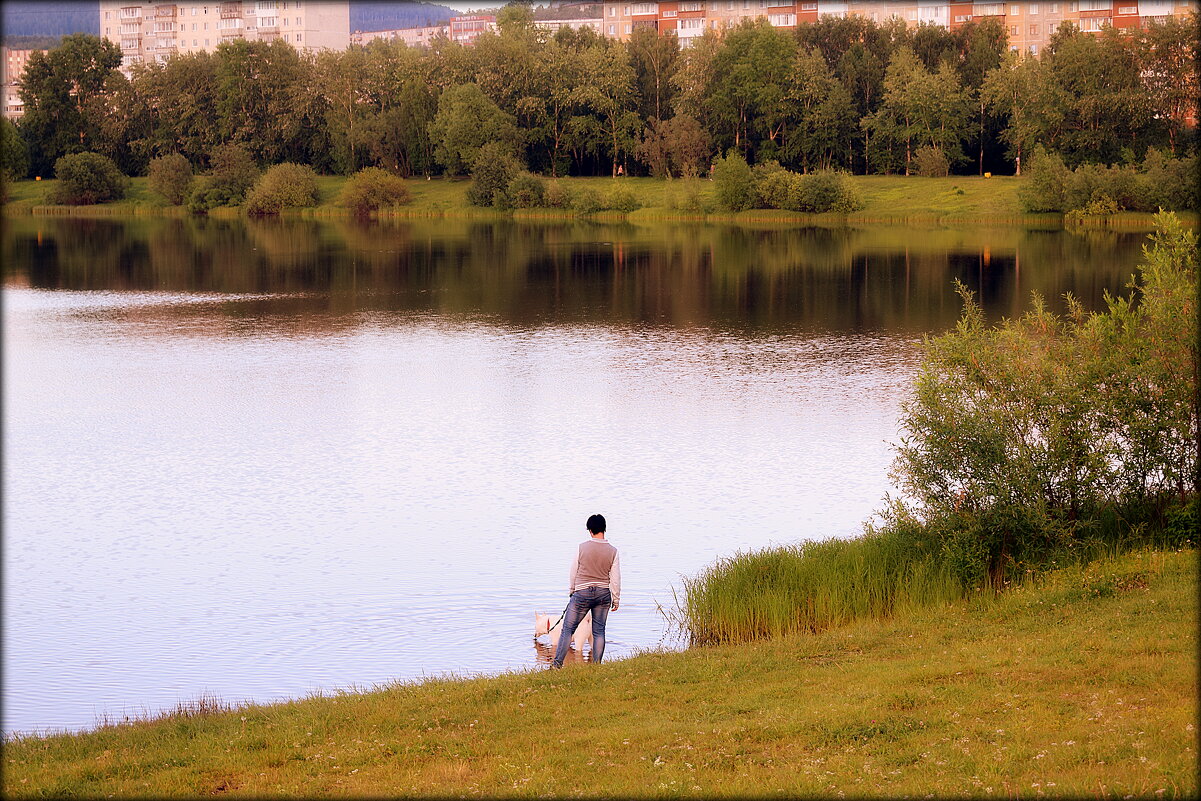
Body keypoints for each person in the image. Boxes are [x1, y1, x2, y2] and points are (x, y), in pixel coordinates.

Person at [551, 514, 620, 668]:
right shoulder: (613, 551)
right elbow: (615, 578)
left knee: (568, 629)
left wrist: (572, 590)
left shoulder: (581, 547)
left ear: (590, 530)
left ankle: (556, 666)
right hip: (603, 594)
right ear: (605, 529)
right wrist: (616, 599)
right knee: (599, 631)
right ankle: (596, 666)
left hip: (582, 592)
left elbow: (573, 571)